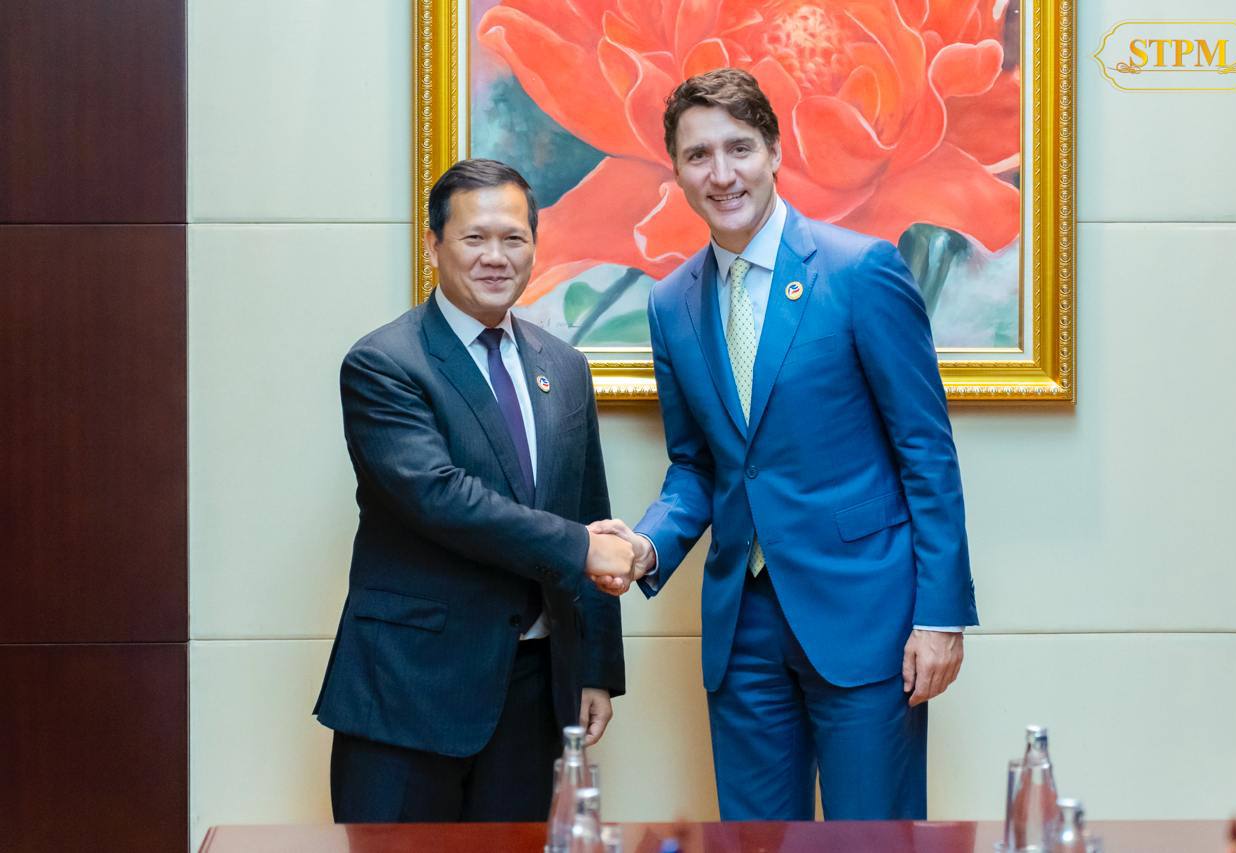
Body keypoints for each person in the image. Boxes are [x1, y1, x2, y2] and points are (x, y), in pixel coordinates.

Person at [588, 69, 978, 821]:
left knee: (874, 841)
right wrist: (646, 545)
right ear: (677, 172)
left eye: (739, 148)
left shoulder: (861, 271)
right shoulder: (670, 304)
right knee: (755, 841)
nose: (721, 173)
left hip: (865, 614)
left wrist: (940, 616)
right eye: (698, 155)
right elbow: (697, 467)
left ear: (774, 151)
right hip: (743, 627)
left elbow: (926, 452)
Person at [314, 158, 630, 823]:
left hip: (534, 690)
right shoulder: (385, 363)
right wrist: (580, 546)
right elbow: (439, 497)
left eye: (514, 238)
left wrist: (595, 667)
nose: (495, 256)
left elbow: (588, 509)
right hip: (409, 689)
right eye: (474, 237)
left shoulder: (564, 367)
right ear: (434, 246)